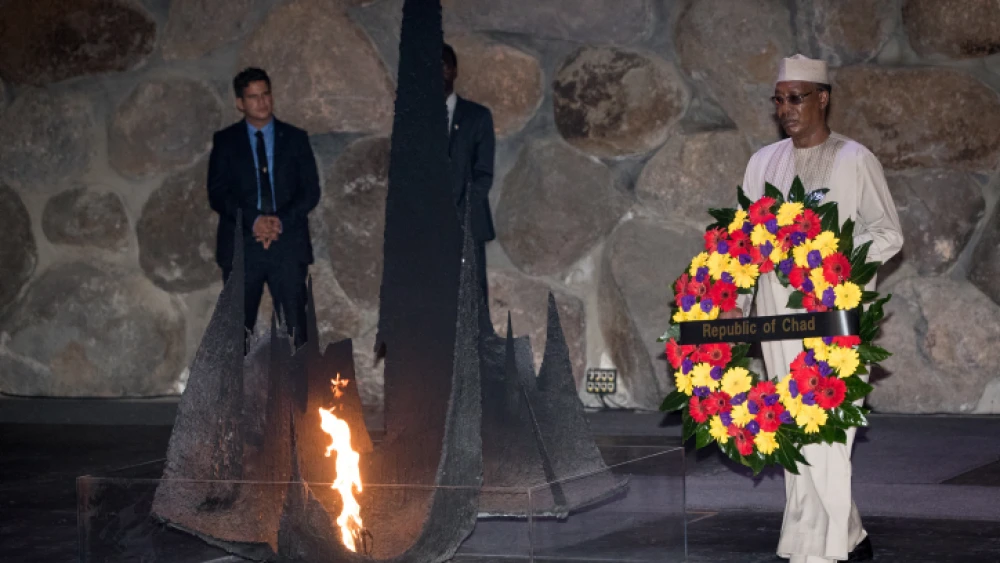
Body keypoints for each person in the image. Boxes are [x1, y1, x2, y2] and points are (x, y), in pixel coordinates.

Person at [724, 54, 903, 563]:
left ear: (822, 98)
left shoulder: (855, 160)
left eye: (796, 98)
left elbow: (888, 233)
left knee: (830, 426)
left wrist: (836, 263)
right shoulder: (762, 162)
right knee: (796, 425)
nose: (786, 109)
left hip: (836, 316)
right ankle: (829, 538)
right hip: (777, 321)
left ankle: (831, 544)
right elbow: (743, 244)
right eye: (779, 100)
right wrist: (738, 303)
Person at [208, 67, 321, 348]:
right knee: (237, 329)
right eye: (253, 97)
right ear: (240, 103)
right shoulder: (226, 141)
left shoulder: (296, 138)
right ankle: (239, 392)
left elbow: (310, 191)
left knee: (296, 326)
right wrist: (254, 220)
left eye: (266, 94)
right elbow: (218, 193)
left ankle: (299, 391)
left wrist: (278, 221)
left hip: (288, 242)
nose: (262, 102)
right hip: (242, 244)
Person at [443, 43, 496, 313]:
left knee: (470, 307)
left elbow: (483, 174)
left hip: (467, 225)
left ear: (453, 71)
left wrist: (457, 215)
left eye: (441, 66)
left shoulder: (477, 117)